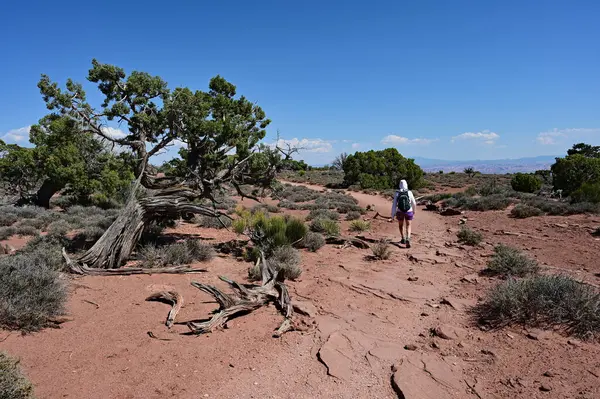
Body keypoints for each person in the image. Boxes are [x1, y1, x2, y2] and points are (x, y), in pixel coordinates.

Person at [389, 179, 417, 247]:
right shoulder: (409, 192)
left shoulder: (397, 193)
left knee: (401, 225)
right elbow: (414, 203)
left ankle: (403, 238)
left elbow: (394, 205)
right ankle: (408, 238)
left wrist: (392, 215)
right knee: (408, 225)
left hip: (400, 212)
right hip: (409, 211)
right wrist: (414, 211)